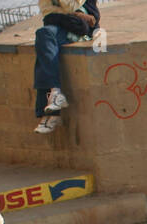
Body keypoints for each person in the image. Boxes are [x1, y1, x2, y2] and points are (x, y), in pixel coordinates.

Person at [33, 1, 100, 134]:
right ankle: (55, 95)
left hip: (80, 29)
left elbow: (71, 5)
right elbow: (47, 12)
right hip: (60, 25)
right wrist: (70, 14)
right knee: (44, 43)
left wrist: (66, 12)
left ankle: (49, 113)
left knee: (44, 44)